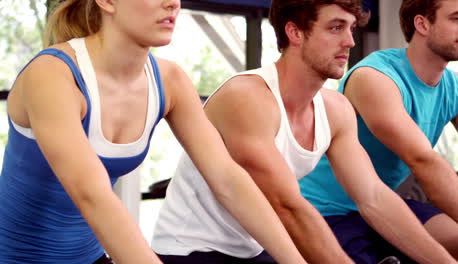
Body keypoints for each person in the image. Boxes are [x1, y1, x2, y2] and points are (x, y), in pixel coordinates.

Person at [0, 0, 308, 263]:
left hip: (90, 257)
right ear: (107, 2)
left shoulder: (170, 80)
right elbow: (91, 194)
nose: (173, 3)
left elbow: (227, 178)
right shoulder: (53, 74)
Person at [152, 0, 458, 263]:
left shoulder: (335, 109)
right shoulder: (248, 97)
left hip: (257, 249)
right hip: (192, 250)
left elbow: (375, 198)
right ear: (295, 32)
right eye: (336, 27)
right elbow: (287, 206)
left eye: (352, 28)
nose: (350, 41)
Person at [300, 0, 458, 262]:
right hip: (327, 210)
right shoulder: (376, 78)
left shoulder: (456, 87)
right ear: (423, 24)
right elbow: (424, 162)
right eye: (457, 18)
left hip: (385, 205)